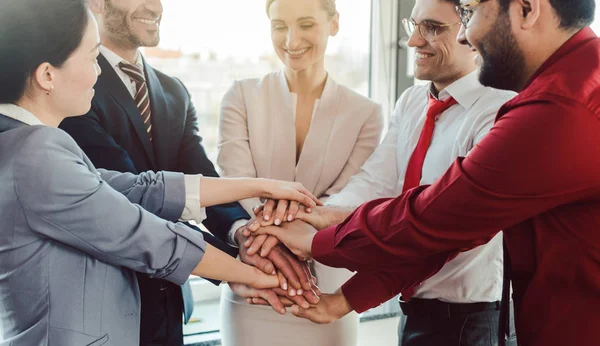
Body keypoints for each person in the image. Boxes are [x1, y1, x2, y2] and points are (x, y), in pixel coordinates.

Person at [251, 0, 600, 345]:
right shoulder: (572, 86)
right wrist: (317, 217)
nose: (467, 35)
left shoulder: (554, 108)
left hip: (481, 320)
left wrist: (318, 242)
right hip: (419, 306)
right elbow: (385, 188)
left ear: (527, 9)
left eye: (469, 13)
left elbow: (443, 219)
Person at [0, 1, 321, 345]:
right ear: (47, 74)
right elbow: (139, 231)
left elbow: (140, 189)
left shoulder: (24, 140)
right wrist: (256, 275)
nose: (95, 71)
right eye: (91, 58)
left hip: (156, 308)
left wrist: (262, 188)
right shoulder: (38, 149)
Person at [216, 0, 383, 344]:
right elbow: (235, 182)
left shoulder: (366, 113)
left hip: (324, 289)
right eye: (279, 26)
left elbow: (348, 195)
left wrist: (279, 227)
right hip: (256, 281)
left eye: (306, 24)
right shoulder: (240, 95)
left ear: (333, 24)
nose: (291, 39)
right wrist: (274, 232)